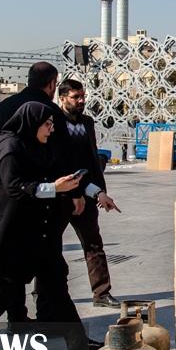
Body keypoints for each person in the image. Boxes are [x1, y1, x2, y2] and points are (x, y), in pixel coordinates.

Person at [0, 102, 96, 350]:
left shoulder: (36, 147)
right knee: (3, 291)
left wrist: (74, 187)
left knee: (56, 286)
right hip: (13, 233)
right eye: (47, 124)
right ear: (31, 123)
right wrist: (54, 187)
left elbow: (50, 175)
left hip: (40, 232)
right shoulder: (9, 147)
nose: (51, 129)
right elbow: (13, 188)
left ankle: (77, 343)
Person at [53, 79, 122, 308]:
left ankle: (101, 293)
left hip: (87, 193)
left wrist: (99, 191)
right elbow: (58, 162)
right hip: (61, 195)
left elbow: (91, 160)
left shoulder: (87, 123)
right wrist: (74, 192)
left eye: (82, 96)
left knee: (93, 244)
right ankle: (43, 294)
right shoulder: (53, 121)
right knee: (50, 247)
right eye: (75, 97)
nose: (81, 101)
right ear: (62, 98)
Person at [0, 62, 61, 200]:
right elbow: (61, 151)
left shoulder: (3, 107)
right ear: (52, 84)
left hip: (4, 187)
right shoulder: (50, 110)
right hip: (40, 190)